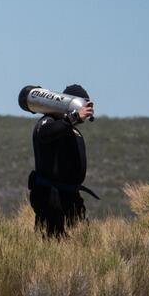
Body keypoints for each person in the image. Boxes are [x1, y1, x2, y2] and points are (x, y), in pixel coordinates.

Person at [28, 85, 98, 237]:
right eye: (81, 105)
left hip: (70, 196)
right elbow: (46, 134)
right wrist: (73, 118)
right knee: (52, 243)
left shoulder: (71, 128)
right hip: (50, 196)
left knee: (80, 243)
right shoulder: (48, 121)